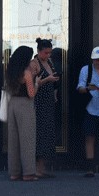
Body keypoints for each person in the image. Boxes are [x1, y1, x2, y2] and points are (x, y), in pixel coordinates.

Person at [76, 46, 99, 177]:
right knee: (89, 137)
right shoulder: (86, 70)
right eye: (95, 60)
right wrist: (87, 88)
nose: (97, 62)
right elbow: (79, 87)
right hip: (90, 108)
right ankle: (90, 167)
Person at [6, 46, 40, 181]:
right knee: (27, 139)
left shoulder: (10, 72)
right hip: (25, 105)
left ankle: (14, 172)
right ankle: (28, 173)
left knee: (13, 140)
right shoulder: (26, 73)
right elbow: (31, 94)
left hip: (12, 104)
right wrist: (37, 83)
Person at [29, 38, 61, 178]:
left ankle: (42, 167)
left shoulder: (49, 62)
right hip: (38, 101)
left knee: (47, 134)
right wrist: (47, 80)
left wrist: (55, 92)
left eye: (50, 53)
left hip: (48, 101)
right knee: (39, 134)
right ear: (39, 51)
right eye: (45, 53)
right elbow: (31, 84)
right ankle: (36, 167)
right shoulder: (34, 64)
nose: (48, 55)